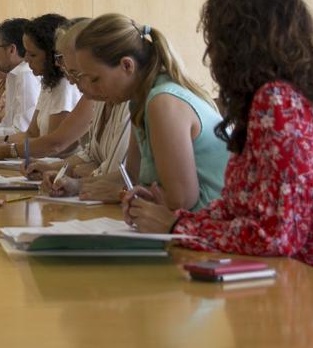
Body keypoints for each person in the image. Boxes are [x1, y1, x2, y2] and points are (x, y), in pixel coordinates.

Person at [125, 0, 313, 302]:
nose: (210, 54)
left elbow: (276, 236)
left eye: (215, 42)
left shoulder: (280, 102)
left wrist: (177, 226)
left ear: (239, 47)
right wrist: (176, 219)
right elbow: (241, 209)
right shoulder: (291, 98)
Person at [72, 13, 228, 212]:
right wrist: (78, 186)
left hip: (204, 226)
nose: (91, 89)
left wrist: (121, 195)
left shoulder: (163, 102)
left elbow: (180, 201)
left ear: (127, 65)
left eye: (95, 79)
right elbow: (131, 176)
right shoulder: (139, 102)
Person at [29, 19, 132, 203]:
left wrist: (75, 177)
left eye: (81, 74)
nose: (73, 81)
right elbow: (91, 155)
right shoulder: (102, 97)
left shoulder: (132, 100)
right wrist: (63, 169)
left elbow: (119, 174)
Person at [0, 15, 91, 161]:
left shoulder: (65, 86)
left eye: (32, 54)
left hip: (50, 164)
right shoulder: (48, 83)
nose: (25, 59)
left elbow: (54, 145)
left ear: (50, 55)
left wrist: (5, 149)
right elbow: (30, 134)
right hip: (46, 165)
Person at [0, 17, 41, 138]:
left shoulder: (26, 75)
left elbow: (22, 130)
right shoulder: (13, 75)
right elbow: (7, 124)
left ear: (11, 49)